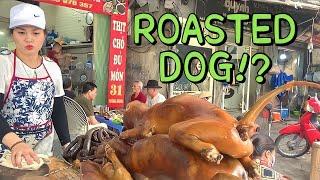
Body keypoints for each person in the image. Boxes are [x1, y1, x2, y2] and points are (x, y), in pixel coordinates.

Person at [0, 3, 70, 167]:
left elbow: (58, 109)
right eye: (21, 32)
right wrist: (16, 143)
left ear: (44, 35)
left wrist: (68, 145)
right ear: (13, 34)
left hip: (42, 151)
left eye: (36, 33)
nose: (29, 38)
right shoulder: (4, 64)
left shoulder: (52, 67)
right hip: (8, 151)